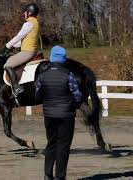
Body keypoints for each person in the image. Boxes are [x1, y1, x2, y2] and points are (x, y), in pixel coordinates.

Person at [35, 45, 83, 180]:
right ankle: (60, 177)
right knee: (63, 145)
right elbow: (77, 95)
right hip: (66, 115)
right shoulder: (69, 75)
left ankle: (47, 174)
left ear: (51, 58)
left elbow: (37, 96)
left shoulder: (42, 76)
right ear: (63, 59)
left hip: (49, 115)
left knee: (51, 143)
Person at [2, 3, 40, 97]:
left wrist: (6, 47)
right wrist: (13, 47)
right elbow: (24, 40)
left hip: (27, 52)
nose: (24, 13)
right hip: (32, 50)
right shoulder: (35, 22)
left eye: (25, 12)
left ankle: (16, 87)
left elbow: (19, 36)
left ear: (29, 12)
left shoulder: (28, 23)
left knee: (7, 65)